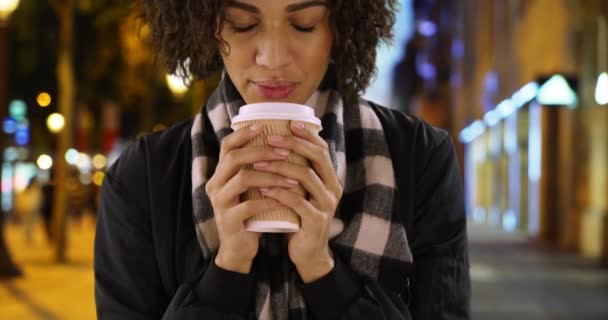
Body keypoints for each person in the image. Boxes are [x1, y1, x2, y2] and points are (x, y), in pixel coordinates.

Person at [94, 1, 471, 319]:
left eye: (303, 25)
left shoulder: (421, 157)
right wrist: (228, 267)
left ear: (339, 25)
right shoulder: (139, 179)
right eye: (243, 25)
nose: (273, 58)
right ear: (206, 24)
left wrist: (322, 269)